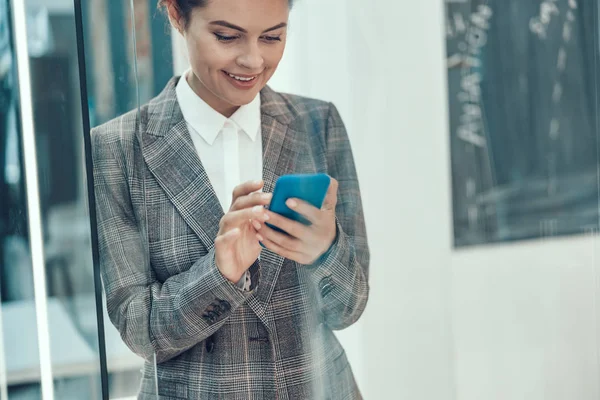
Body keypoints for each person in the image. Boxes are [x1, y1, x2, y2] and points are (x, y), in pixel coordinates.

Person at [91, 0, 369, 398]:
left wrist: (326, 251)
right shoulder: (117, 149)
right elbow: (139, 331)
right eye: (226, 36)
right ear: (175, 14)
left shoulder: (317, 123)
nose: (253, 59)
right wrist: (218, 275)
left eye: (272, 36)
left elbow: (350, 306)